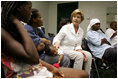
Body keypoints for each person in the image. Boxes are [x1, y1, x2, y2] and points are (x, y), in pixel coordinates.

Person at [1, 1, 89, 78]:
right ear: (20, 8)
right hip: (22, 73)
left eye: (79, 17)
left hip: (33, 66)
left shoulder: (19, 29)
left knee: (84, 74)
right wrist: (19, 24)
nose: (31, 12)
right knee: (71, 61)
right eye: (29, 8)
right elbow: (34, 58)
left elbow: (46, 42)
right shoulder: (4, 32)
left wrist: (52, 68)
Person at [53, 9, 92, 75]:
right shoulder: (66, 27)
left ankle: (86, 75)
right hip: (64, 49)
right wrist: (56, 42)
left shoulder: (81, 31)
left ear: (81, 19)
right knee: (79, 56)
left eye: (78, 17)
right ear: (72, 18)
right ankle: (75, 76)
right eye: (74, 16)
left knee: (89, 55)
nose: (75, 19)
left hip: (74, 50)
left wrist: (80, 50)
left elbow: (78, 44)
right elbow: (57, 38)